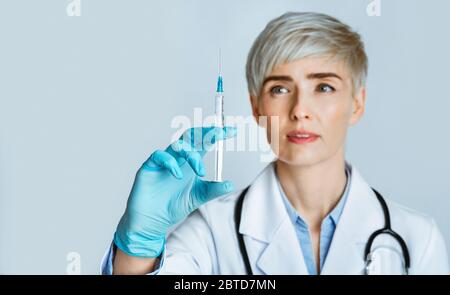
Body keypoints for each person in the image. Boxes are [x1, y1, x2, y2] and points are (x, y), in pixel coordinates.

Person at [101, 12, 449, 275]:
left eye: (324, 87)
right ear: (256, 107)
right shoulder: (211, 233)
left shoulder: (417, 241)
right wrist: (140, 242)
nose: (300, 110)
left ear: (356, 103)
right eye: (280, 89)